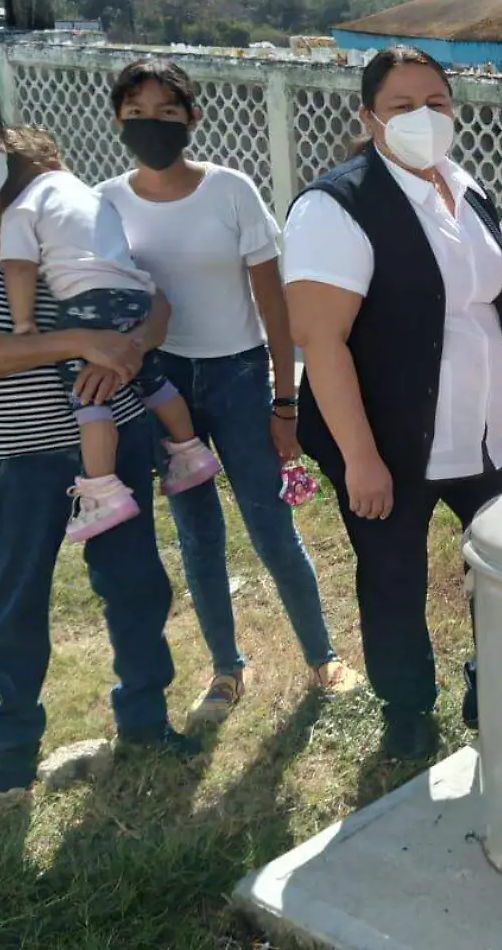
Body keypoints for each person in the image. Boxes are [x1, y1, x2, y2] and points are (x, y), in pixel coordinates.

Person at [0, 80, 199, 801]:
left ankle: (146, 721)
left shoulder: (60, 210)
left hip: (111, 443)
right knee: (17, 606)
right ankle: (16, 755)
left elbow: (153, 302)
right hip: (14, 455)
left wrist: (133, 346)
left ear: (6, 140)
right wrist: (81, 339)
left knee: (138, 587)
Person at [284, 45, 502, 763]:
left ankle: (489, 682)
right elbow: (323, 341)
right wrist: (362, 459)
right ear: (369, 116)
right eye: (402, 106)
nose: (422, 118)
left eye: (436, 101)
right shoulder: (335, 206)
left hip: (489, 433)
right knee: (394, 577)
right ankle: (406, 708)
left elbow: (497, 299)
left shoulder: (465, 188)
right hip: (392, 441)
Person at [96, 58, 362, 725]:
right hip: (162, 388)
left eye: (166, 110)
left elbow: (274, 306)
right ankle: (226, 668)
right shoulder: (106, 201)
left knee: (272, 528)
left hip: (240, 377)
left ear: (191, 117)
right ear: (117, 121)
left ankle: (321, 655)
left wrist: (284, 400)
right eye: (135, 114)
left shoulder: (230, 190)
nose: (151, 125)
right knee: (197, 534)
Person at [0, 126, 222, 542]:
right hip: (135, 295)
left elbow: (20, 267)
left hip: (88, 301)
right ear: (52, 158)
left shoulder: (22, 207)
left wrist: (24, 323)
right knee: (149, 377)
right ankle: (189, 450)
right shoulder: (89, 193)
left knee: (90, 396)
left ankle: (102, 488)